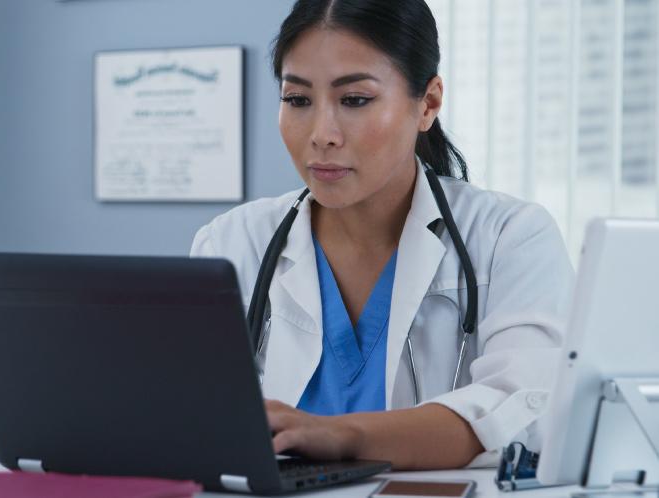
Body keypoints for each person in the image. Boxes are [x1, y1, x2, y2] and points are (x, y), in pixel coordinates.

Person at [190, 0, 574, 470]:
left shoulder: (509, 238)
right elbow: (196, 421)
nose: (322, 134)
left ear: (428, 104)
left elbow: (525, 409)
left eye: (354, 100)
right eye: (298, 100)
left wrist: (339, 435)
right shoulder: (231, 244)